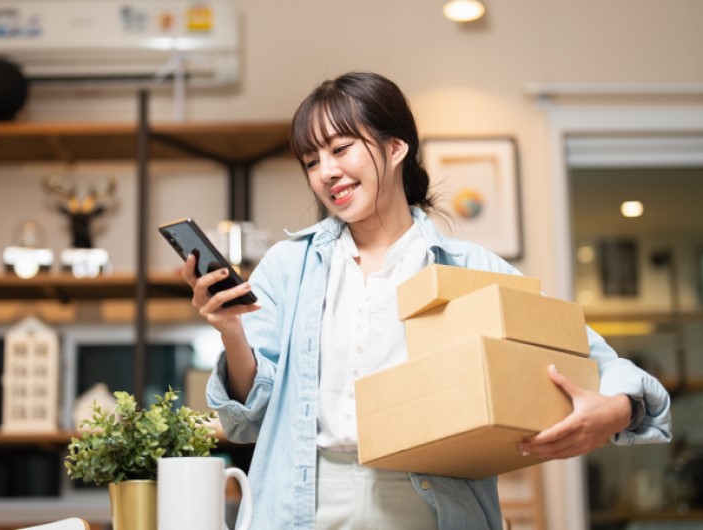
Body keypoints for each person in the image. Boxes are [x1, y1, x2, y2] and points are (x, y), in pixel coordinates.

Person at [183, 71, 672, 529]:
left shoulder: (471, 268)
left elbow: (597, 361)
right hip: (301, 502)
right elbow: (246, 419)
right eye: (312, 162)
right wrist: (231, 331)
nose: (326, 172)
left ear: (396, 148)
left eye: (341, 149)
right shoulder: (287, 267)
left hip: (432, 503)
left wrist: (617, 411)